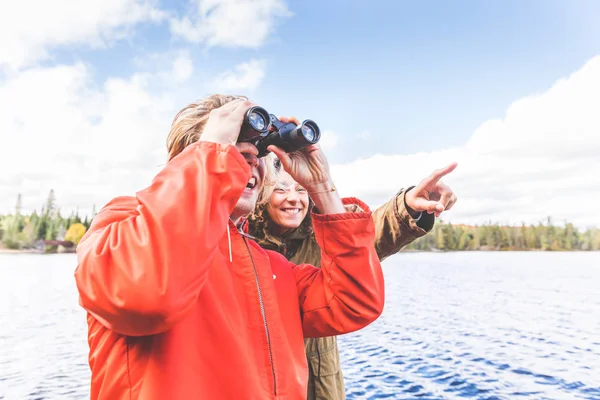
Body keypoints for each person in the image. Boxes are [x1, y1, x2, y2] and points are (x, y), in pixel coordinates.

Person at [73, 94, 387, 400]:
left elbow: (354, 303)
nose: (251, 159)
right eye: (235, 149)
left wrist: (322, 189)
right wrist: (212, 153)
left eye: (259, 153)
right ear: (188, 159)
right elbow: (146, 295)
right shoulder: (124, 226)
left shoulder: (273, 268)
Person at [247, 146, 458, 400]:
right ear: (262, 193)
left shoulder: (325, 237)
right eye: (280, 189)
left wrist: (408, 206)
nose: (294, 198)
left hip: (319, 386)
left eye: (301, 190)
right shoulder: (246, 241)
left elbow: (367, 233)